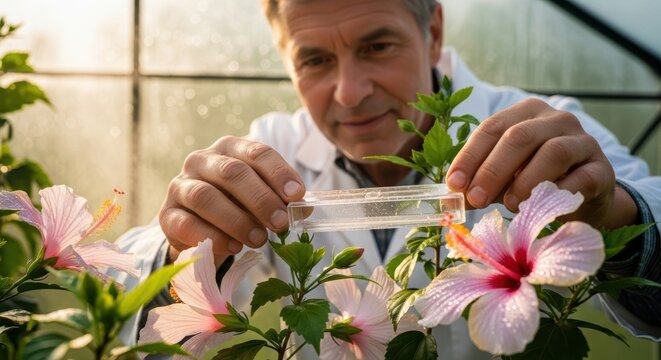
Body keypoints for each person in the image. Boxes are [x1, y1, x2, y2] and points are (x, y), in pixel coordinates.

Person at [109, 0, 661, 358]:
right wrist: (181, 246)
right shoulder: (268, 147)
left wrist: (613, 215)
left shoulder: (539, 129)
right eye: (315, 60)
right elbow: (122, 307)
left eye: (377, 46)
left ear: (434, 31)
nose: (349, 91)